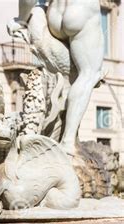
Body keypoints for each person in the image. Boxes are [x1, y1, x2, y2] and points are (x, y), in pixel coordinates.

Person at [9, 0, 104, 155]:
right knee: (89, 74)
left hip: (53, 13)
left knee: (37, 11)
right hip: (81, 10)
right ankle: (67, 142)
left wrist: (20, 19)